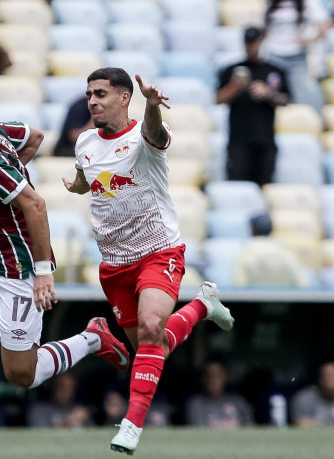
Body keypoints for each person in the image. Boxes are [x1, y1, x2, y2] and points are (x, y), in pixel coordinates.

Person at [0, 80, 129, 459]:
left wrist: (45, 272)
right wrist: (10, 181)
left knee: (22, 374)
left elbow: (35, 205)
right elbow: (33, 135)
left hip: (13, 274)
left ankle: (93, 338)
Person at [61, 67, 235, 455]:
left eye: (101, 94)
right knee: (150, 349)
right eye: (90, 94)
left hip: (158, 252)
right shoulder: (86, 142)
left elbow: (156, 134)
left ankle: (131, 425)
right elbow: (85, 178)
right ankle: (202, 306)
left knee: (154, 327)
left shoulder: (145, 136)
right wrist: (74, 185)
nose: (92, 101)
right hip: (113, 265)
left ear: (125, 98)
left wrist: (153, 106)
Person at [217, 27, 290, 187]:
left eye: (254, 43)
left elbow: (286, 100)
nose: (251, 47)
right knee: (237, 188)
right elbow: (218, 99)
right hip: (238, 142)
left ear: (261, 42)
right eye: (248, 43)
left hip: (265, 141)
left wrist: (268, 94)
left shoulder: (274, 70)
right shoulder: (232, 70)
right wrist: (234, 87)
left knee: (265, 187)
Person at [261, 0, 330, 108]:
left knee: (300, 98)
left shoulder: (307, 3)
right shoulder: (271, 3)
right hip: (274, 57)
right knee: (272, 97)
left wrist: (309, 38)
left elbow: (324, 25)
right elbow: (264, 28)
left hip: (297, 58)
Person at [232, 213, 310, 287]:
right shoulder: (285, 252)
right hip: (284, 300)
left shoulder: (246, 253)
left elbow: (240, 285)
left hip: (255, 300)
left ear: (252, 230)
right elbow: (302, 283)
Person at [292, 362, 334, 426]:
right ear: (320, 379)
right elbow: (301, 423)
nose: (330, 380)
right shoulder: (304, 398)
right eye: (327, 376)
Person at [186, 360, 253, 427]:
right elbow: (198, 432)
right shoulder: (196, 404)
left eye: (216, 375)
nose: (212, 380)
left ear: (224, 377)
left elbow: (250, 428)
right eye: (208, 376)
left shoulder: (238, 402)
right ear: (203, 379)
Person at [28, 373, 94, 428]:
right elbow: (39, 435)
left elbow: (94, 435)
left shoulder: (79, 410)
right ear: (53, 387)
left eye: (70, 388)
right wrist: (67, 422)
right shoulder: (39, 410)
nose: (66, 391)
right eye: (62, 386)